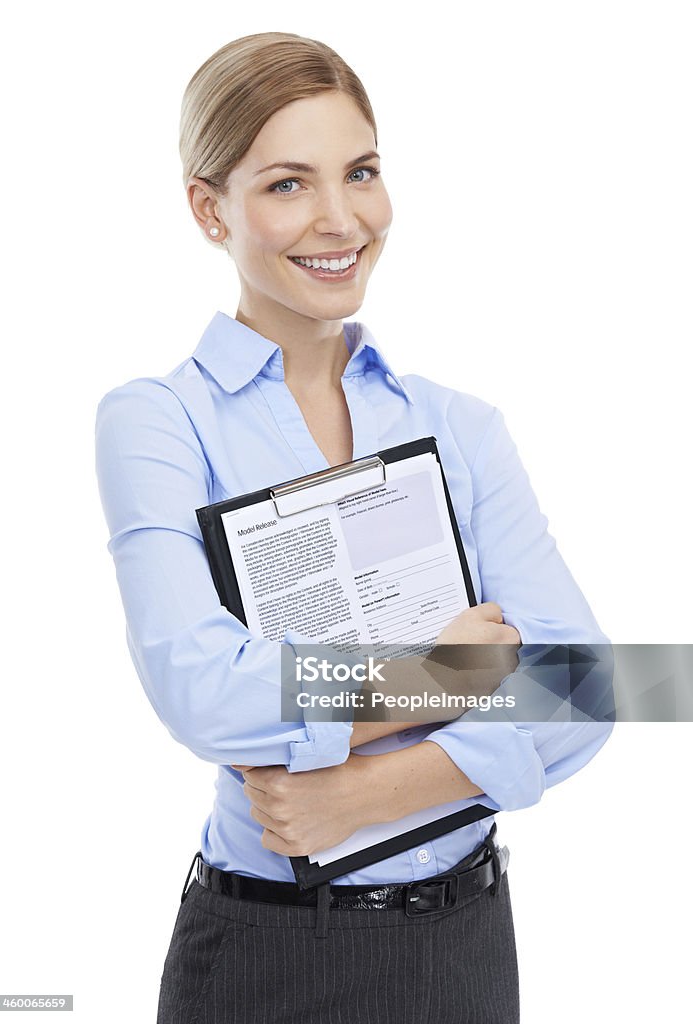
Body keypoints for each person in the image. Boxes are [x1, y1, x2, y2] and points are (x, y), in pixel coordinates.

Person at [94, 31, 614, 1024]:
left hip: (465, 944)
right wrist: (446, 669)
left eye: (361, 172)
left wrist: (364, 793)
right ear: (211, 208)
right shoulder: (158, 420)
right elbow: (201, 690)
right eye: (289, 184)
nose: (341, 219)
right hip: (267, 952)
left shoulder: (458, 425)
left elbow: (590, 685)